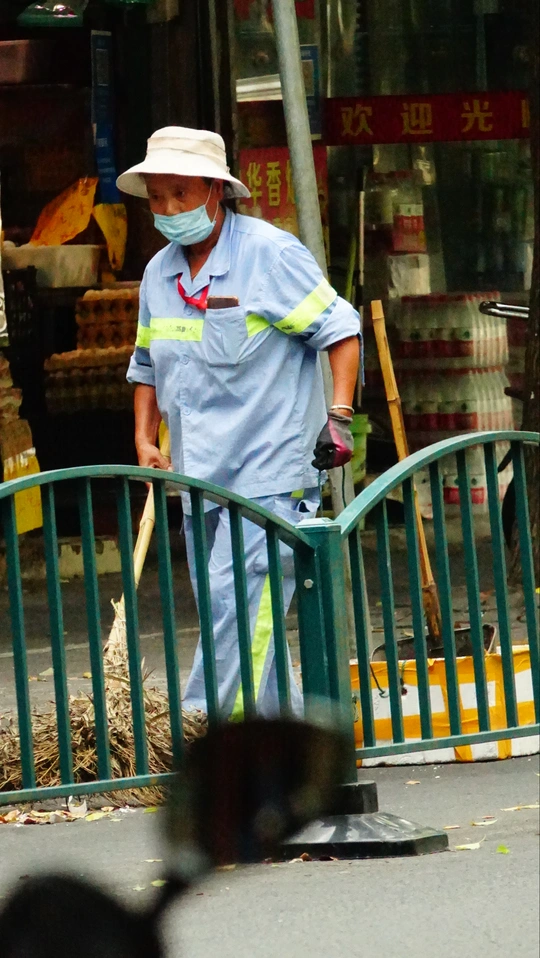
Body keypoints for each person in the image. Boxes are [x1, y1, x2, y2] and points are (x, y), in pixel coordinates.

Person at [117, 126, 360, 719]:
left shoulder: (270, 255)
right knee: (242, 620)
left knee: (237, 612)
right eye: (157, 197)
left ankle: (200, 734)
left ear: (216, 191)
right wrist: (144, 439)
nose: (168, 209)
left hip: (269, 478)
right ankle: (292, 751)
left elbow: (341, 330)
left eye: (180, 193)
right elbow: (145, 365)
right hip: (198, 479)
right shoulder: (158, 274)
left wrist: (339, 416)